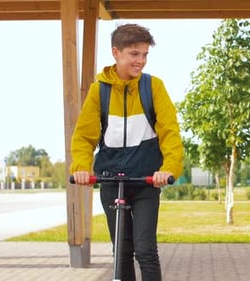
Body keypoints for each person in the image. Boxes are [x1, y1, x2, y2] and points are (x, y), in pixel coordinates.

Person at [70, 23, 183, 281]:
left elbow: (170, 133)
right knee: (121, 250)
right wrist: (81, 168)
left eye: (144, 55)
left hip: (145, 180)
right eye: (134, 54)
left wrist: (168, 169)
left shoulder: (152, 87)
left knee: (145, 250)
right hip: (110, 178)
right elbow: (85, 135)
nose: (140, 60)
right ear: (116, 53)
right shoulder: (100, 90)